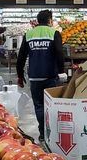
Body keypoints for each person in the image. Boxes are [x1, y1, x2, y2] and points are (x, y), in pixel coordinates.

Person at [16, 10, 64, 142]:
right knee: (52, 105)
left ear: (38, 21)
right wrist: (62, 71)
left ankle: (43, 133)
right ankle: (53, 132)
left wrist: (20, 75)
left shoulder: (29, 34)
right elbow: (60, 53)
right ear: (50, 20)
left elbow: (21, 57)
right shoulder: (54, 33)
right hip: (51, 76)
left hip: (35, 77)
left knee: (39, 105)